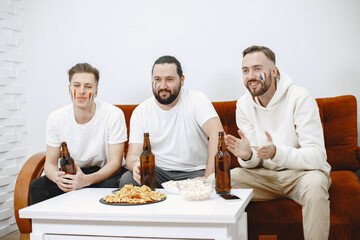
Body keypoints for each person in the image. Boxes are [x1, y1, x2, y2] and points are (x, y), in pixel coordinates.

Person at [225, 45, 331, 240]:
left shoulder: (300, 97)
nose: (251, 76)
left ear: (274, 71)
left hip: (301, 175)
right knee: (221, 181)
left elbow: (317, 156)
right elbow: (255, 159)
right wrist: (248, 155)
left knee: (316, 185)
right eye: (245, 70)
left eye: (258, 69)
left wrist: (276, 153)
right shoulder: (243, 105)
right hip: (264, 177)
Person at [29, 63, 128, 204]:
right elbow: (50, 164)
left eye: (88, 86)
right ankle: (46, 227)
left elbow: (115, 163)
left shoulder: (113, 114)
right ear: (69, 89)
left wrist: (86, 180)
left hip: (103, 174)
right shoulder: (56, 118)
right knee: (37, 187)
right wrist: (57, 177)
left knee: (112, 186)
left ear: (96, 91)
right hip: (72, 173)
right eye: (76, 85)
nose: (81, 91)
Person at [119, 55, 224, 188]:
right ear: (152, 81)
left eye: (169, 79)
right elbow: (133, 154)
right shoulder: (141, 111)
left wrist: (207, 177)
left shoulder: (197, 100)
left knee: (212, 183)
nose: (163, 86)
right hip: (157, 173)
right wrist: (136, 165)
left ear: (182, 80)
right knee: (127, 180)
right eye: (157, 79)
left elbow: (217, 134)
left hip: (195, 172)